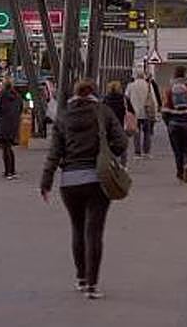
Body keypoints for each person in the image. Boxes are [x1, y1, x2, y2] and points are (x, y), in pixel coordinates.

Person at [40, 78, 128, 300]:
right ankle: (92, 285)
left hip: (69, 182)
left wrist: (46, 181)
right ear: (93, 93)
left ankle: (80, 278)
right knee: (94, 232)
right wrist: (106, 154)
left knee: (77, 230)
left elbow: (54, 153)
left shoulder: (64, 116)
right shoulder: (103, 112)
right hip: (97, 180)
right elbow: (122, 142)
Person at [162, 66, 187, 184]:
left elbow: (164, 109)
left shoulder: (169, 89)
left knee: (177, 150)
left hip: (174, 124)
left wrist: (168, 123)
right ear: (186, 75)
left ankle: (180, 173)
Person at [0, 79, 24, 179]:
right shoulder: (17, 96)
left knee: (5, 148)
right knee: (9, 147)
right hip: (13, 124)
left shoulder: (0, 96)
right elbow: (21, 108)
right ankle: (12, 170)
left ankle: (8, 171)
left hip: (2, 124)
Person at [125, 70, 158, 159]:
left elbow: (126, 97)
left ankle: (137, 152)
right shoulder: (148, 85)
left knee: (136, 132)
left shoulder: (131, 86)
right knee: (147, 132)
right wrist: (155, 111)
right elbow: (153, 99)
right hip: (146, 112)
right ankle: (146, 152)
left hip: (135, 112)